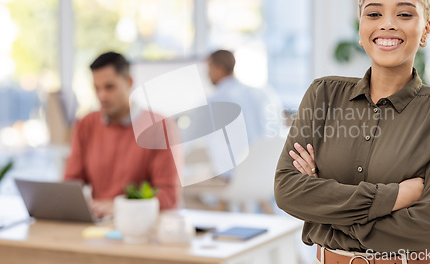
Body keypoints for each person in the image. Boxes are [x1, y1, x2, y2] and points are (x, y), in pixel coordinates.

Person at [274, 0, 430, 264]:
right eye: (374, 14)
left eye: (404, 15)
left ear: (426, 30)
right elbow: (288, 190)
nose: (388, 24)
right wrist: (393, 198)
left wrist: (325, 212)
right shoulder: (323, 95)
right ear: (360, 29)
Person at [64, 52, 180, 218]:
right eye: (97, 88)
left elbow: (168, 196)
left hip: (141, 225)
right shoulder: (86, 124)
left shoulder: (159, 127)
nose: (101, 96)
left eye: (109, 87)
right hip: (100, 226)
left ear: (129, 82)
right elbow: (71, 184)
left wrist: (119, 206)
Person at [206, 49, 282, 176]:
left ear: (219, 68)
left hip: (232, 176)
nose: (207, 74)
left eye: (209, 69)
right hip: (266, 175)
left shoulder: (216, 99)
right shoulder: (261, 94)